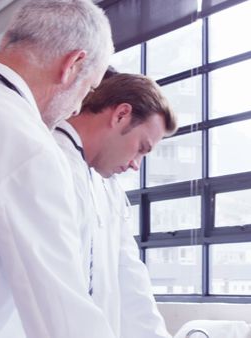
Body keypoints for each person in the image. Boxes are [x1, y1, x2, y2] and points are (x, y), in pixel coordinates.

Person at [0, 1, 115, 337]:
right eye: (90, 88)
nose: (78, 107)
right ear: (73, 65)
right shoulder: (27, 142)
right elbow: (63, 319)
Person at [53, 73, 177, 337]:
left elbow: (131, 281)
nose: (136, 164)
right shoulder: (45, 160)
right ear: (121, 114)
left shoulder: (109, 189)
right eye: (141, 148)